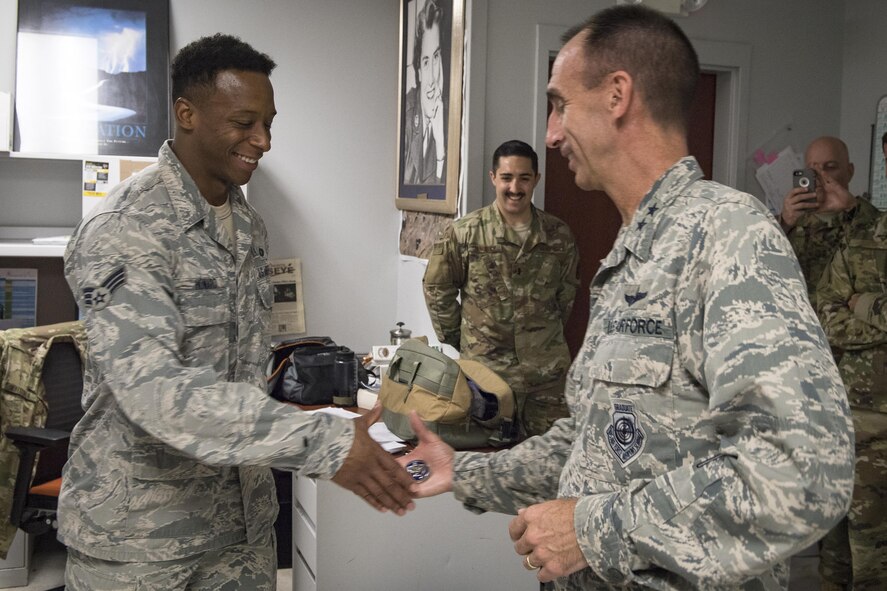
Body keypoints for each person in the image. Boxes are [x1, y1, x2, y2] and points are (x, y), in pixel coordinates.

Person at [401, 6, 854, 590]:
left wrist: (592, 530)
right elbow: (591, 440)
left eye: (560, 104)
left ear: (617, 95)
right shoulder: (635, 251)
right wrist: (464, 473)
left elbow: (802, 471)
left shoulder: (727, 235)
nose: (550, 132)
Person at [59, 34, 414, 590]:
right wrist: (320, 441)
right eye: (245, 123)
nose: (263, 140)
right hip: (140, 538)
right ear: (187, 114)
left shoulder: (248, 228)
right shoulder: (127, 229)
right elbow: (155, 392)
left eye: (269, 123)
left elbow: (243, 368)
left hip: (240, 530)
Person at [423, 139, 579, 438]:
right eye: (506, 177)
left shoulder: (558, 235)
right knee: (485, 465)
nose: (515, 188)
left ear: (536, 180)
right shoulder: (464, 233)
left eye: (524, 178)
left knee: (549, 466)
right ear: (493, 177)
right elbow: (436, 289)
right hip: (487, 378)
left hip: (546, 380)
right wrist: (467, 341)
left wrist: (540, 339)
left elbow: (566, 296)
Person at [816, 214, 887, 589]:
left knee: (874, 560)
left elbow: (844, 309)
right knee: (838, 549)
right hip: (854, 418)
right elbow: (827, 316)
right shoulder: (861, 240)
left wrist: (863, 303)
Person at [778, 136, 880, 308]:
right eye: (812, 170)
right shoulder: (787, 223)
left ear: (849, 171)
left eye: (830, 167)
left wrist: (852, 208)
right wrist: (784, 224)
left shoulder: (871, 222)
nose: (821, 176)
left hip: (852, 329)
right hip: (800, 326)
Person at [402, 0, 446, 185]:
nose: (433, 78)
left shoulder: (454, 118)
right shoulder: (408, 112)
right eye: (426, 62)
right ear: (419, 71)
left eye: (436, 57)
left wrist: (441, 153)